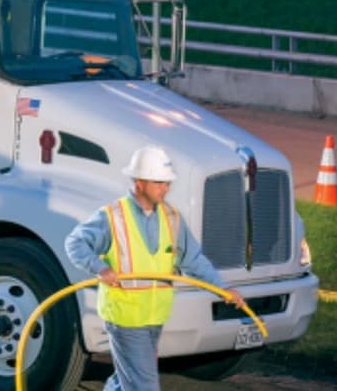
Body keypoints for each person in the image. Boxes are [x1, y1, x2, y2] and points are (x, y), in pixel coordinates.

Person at [65, 145, 246, 391]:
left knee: (127, 378)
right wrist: (100, 268)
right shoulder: (113, 216)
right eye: (159, 182)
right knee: (143, 385)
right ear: (139, 182)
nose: (166, 188)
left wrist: (222, 288)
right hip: (125, 318)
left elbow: (193, 260)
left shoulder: (172, 218)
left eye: (167, 183)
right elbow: (75, 243)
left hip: (154, 317)